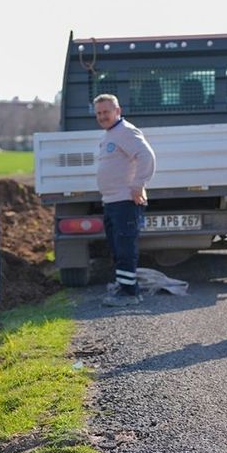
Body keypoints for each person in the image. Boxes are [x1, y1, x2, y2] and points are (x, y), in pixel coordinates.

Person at [93, 94, 156, 307]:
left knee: (125, 247)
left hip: (125, 201)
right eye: (99, 113)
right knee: (117, 246)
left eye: (106, 112)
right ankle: (123, 284)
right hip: (112, 202)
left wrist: (138, 184)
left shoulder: (125, 131)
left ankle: (130, 293)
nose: (102, 116)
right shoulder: (110, 134)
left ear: (117, 111)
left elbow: (147, 156)